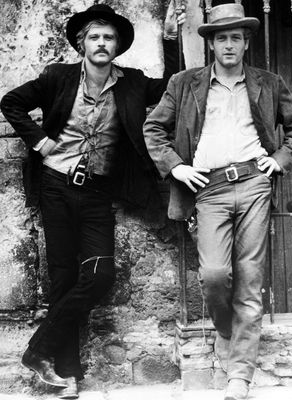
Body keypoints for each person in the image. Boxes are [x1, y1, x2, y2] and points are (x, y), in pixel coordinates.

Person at [1, 2, 185, 398]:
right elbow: (11, 103)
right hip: (56, 186)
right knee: (63, 278)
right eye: (94, 37)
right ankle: (67, 374)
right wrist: (40, 140)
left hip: (99, 192)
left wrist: (171, 38)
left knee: (99, 277)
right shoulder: (57, 77)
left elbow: (175, 85)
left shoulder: (133, 82)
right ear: (82, 44)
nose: (102, 43)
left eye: (109, 37)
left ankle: (38, 350)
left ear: (118, 45)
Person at [143, 3, 292, 400]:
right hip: (209, 189)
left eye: (237, 37)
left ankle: (240, 374)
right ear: (212, 44)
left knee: (249, 279)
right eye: (222, 38)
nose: (229, 44)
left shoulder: (268, 82)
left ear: (247, 42)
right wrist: (177, 167)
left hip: (254, 183)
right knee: (215, 275)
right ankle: (227, 333)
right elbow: (154, 127)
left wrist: (280, 159)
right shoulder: (185, 83)